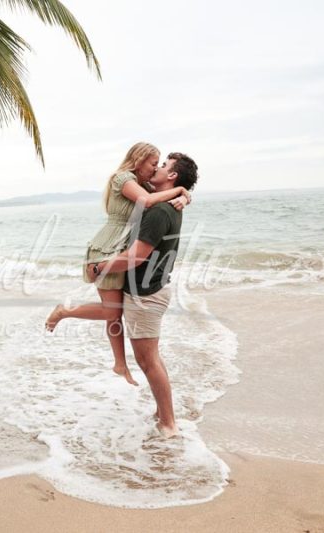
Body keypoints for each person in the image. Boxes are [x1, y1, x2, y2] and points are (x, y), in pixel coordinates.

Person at [45, 142, 191, 385]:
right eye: (153, 163)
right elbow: (146, 201)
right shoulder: (122, 179)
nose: (156, 169)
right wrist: (180, 191)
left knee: (114, 314)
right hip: (106, 249)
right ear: (139, 159)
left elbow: (156, 196)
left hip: (119, 250)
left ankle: (120, 365)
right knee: (112, 311)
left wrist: (184, 195)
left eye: (159, 165)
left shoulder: (142, 183)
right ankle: (64, 312)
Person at [87, 152, 199, 438]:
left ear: (172, 176)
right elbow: (145, 193)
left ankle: (168, 423)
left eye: (164, 165)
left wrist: (101, 266)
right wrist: (185, 193)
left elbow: (136, 257)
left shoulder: (160, 211)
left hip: (145, 295)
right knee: (152, 358)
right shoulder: (167, 203)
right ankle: (163, 413)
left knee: (148, 361)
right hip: (151, 290)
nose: (158, 168)